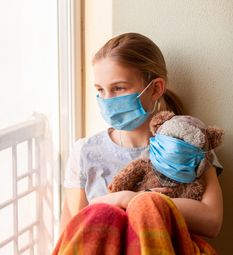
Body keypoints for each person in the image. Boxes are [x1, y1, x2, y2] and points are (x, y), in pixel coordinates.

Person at [63, 32, 223, 238]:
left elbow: (211, 221)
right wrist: (119, 199)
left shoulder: (189, 144)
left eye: (119, 88)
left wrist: (136, 200)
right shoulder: (84, 151)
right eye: (100, 90)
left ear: (155, 88)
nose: (107, 100)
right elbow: (72, 232)